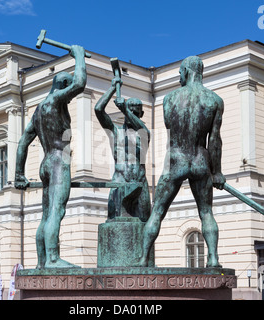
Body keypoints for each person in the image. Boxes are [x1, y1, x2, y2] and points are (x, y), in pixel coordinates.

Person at [137, 56, 225, 268]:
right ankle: (213, 258)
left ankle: (142, 259)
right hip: (200, 160)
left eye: (180, 72)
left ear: (186, 71)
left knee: (157, 211)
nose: (179, 76)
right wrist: (217, 172)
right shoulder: (215, 100)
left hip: (176, 158)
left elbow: (170, 125)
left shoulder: (170, 99)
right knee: (206, 213)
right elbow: (214, 140)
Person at [15, 45, 87, 269]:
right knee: (57, 210)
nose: (70, 98)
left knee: (46, 214)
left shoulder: (38, 110)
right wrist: (79, 56)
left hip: (45, 162)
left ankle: (42, 262)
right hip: (58, 161)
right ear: (62, 88)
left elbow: (23, 142)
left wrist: (19, 173)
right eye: (68, 93)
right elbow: (80, 83)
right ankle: (53, 259)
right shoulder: (56, 101)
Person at [94, 75, 151, 221]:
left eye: (135, 112)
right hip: (119, 181)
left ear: (141, 114)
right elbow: (98, 109)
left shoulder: (143, 133)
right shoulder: (115, 131)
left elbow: (142, 127)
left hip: (140, 184)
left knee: (145, 226)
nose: (131, 114)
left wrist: (125, 109)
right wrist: (112, 88)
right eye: (129, 111)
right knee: (113, 224)